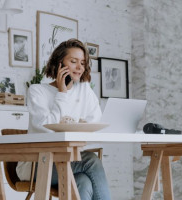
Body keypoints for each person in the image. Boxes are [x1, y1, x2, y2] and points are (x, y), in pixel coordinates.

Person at [16, 39, 111, 200]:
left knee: (83, 182)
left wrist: (76, 125)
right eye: (73, 61)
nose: (80, 67)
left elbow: (95, 124)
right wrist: (62, 93)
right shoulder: (37, 91)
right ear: (59, 63)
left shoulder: (84, 90)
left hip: (68, 161)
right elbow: (46, 128)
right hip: (36, 165)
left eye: (82, 62)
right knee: (91, 161)